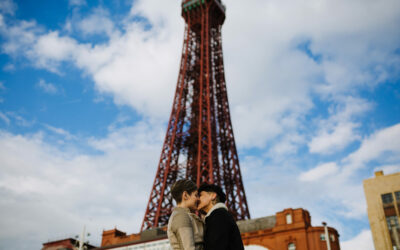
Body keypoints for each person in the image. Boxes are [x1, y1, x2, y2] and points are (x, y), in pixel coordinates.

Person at [197, 184, 244, 250]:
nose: (197, 199)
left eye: (200, 195)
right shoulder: (220, 215)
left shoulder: (218, 216)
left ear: (213, 196)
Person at [168, 180, 204, 250]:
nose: (198, 199)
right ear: (185, 195)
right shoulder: (181, 216)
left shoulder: (181, 215)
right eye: (196, 195)